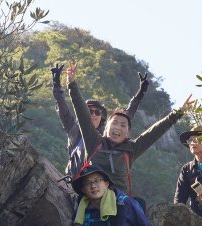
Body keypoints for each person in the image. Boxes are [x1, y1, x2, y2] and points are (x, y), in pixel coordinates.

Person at [66, 63, 193, 195]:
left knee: (137, 211)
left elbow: (155, 131)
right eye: (114, 123)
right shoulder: (94, 141)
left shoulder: (131, 149)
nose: (118, 127)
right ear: (106, 128)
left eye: (122, 125)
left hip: (118, 203)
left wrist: (179, 112)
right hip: (92, 198)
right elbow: (82, 113)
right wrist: (72, 83)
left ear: (127, 133)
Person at [51, 64, 149, 178]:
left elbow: (126, 117)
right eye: (89, 111)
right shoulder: (75, 130)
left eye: (97, 112)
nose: (93, 115)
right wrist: (56, 83)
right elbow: (62, 107)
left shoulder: (106, 135)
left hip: (98, 185)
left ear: (101, 117)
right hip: (75, 179)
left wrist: (140, 94)